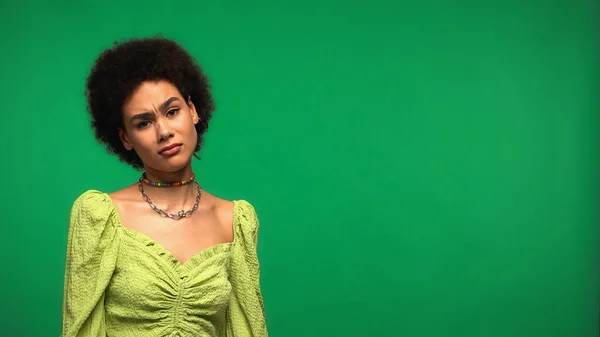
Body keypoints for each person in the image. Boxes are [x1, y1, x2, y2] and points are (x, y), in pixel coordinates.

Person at [60, 36, 268, 337]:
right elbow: (81, 330)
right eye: (143, 123)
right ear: (125, 138)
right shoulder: (100, 216)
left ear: (193, 111)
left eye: (172, 111)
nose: (164, 131)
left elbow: (248, 329)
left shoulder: (235, 220)